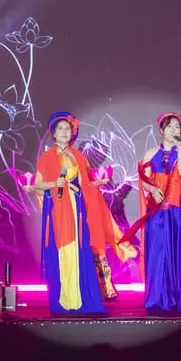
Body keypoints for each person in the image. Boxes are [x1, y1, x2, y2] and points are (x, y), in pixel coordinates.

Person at [33, 112, 127, 314]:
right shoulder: (47, 157)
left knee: (80, 248)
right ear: (53, 133)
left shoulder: (78, 156)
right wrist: (54, 183)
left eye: (68, 129)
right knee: (63, 248)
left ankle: (83, 299)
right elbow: (37, 184)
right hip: (59, 209)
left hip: (78, 209)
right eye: (60, 129)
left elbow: (84, 185)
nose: (64, 132)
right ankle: (65, 300)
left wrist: (97, 183)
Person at [134, 112, 181, 314]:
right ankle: (156, 299)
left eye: (177, 127)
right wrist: (153, 189)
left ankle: (178, 298)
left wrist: (179, 148)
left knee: (177, 253)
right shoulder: (150, 153)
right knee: (157, 253)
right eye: (170, 127)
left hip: (177, 212)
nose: (174, 130)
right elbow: (144, 181)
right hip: (156, 211)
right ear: (161, 130)